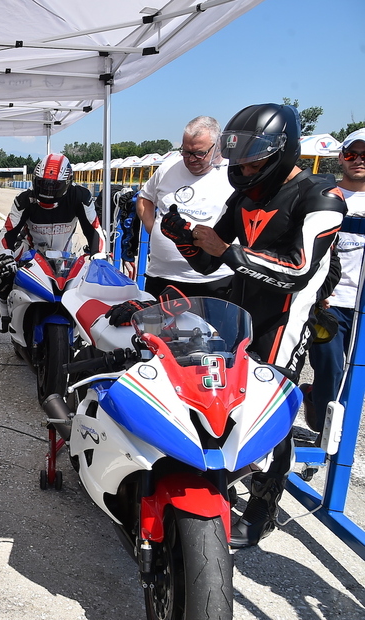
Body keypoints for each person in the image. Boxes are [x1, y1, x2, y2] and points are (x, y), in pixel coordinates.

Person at [110, 103, 347, 548]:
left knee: (272, 409)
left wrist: (225, 251)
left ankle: (263, 508)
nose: (243, 171)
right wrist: (184, 235)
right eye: (239, 162)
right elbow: (206, 263)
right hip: (240, 309)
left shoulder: (321, 196)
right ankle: (215, 479)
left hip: (288, 317)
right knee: (219, 392)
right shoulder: (244, 197)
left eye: (253, 163)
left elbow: (297, 271)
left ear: (281, 153)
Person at [0, 153, 105, 333]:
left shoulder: (80, 196)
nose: (47, 191)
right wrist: (6, 255)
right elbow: (7, 232)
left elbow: (94, 230)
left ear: (67, 183)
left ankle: (90, 325)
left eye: (54, 187)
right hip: (31, 252)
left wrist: (98, 257)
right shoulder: (24, 199)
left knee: (95, 278)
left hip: (67, 254)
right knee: (2, 273)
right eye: (43, 184)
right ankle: (4, 312)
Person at [303, 128, 365, 432]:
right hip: (331, 302)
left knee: (357, 376)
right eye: (352, 154)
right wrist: (318, 289)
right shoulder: (325, 195)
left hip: (361, 303)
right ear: (341, 158)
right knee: (330, 370)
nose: (359, 160)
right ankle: (325, 434)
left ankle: (333, 423)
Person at [135, 116, 234, 298]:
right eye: (186, 152)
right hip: (161, 276)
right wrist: (153, 228)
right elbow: (145, 198)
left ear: (218, 146)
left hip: (213, 280)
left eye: (199, 153)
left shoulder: (233, 173)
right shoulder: (168, 168)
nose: (191, 159)